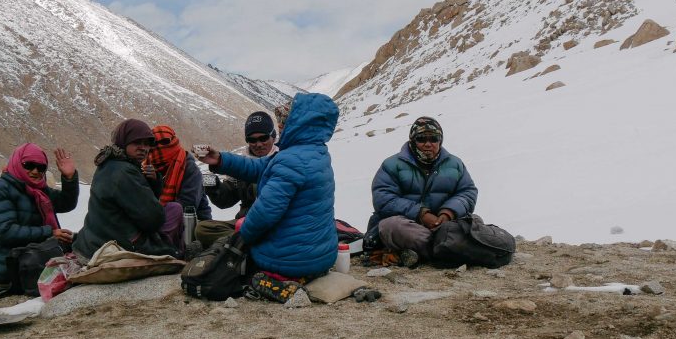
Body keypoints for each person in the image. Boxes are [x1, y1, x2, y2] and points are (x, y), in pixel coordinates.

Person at [197, 93, 338, 302]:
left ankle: (271, 281)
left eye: (283, 122)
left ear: (297, 123)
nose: (281, 127)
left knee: (235, 253)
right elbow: (258, 166)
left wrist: (241, 238)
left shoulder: (291, 160)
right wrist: (220, 160)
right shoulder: (314, 152)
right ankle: (307, 274)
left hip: (292, 259)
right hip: (321, 257)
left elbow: (264, 214)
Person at [364, 116, 478, 267]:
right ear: (412, 140)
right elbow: (383, 198)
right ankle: (449, 250)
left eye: (434, 138)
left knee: (475, 220)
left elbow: (467, 192)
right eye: (422, 139)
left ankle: (427, 252)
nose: (428, 144)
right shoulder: (392, 165)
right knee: (390, 226)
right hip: (410, 226)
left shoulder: (455, 164)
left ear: (440, 140)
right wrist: (421, 214)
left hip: (443, 226)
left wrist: (447, 214)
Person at [73, 119, 185, 260]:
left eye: (147, 144)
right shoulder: (125, 172)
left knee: (172, 209)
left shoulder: (109, 163)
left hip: (96, 237)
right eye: (137, 143)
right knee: (174, 214)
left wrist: (154, 181)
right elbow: (153, 219)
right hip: (119, 241)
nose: (143, 148)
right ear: (123, 142)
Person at [0, 143, 79, 286]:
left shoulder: (36, 189)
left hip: (28, 258)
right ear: (17, 163)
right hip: (3, 267)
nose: (35, 171)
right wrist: (50, 232)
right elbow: (6, 232)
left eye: (41, 167)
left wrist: (69, 178)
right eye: (29, 165)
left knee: (81, 242)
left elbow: (66, 203)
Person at [194, 111, 278, 247]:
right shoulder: (241, 164)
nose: (258, 144)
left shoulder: (282, 160)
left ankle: (238, 243)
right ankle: (245, 242)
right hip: (243, 222)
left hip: (270, 224)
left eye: (263, 138)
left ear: (273, 137)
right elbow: (226, 201)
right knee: (202, 229)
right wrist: (214, 187)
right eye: (252, 140)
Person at [148, 125, 212, 222]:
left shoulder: (189, 167)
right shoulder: (147, 166)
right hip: (159, 218)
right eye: (153, 143)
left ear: (173, 140)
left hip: (194, 221)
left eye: (165, 141)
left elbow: (188, 205)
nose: (159, 146)